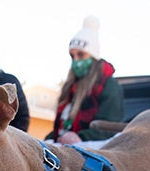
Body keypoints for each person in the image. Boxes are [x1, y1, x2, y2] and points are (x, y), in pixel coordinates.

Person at [46, 16, 125, 144]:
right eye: (73, 56)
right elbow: (60, 128)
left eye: (81, 54)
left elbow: (108, 127)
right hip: (64, 147)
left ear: (93, 56)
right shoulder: (71, 88)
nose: (76, 60)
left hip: (90, 150)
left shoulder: (108, 85)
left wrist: (81, 138)